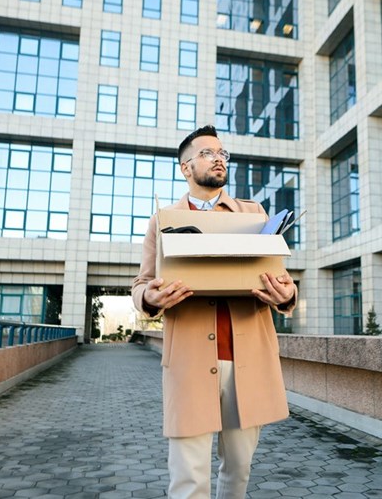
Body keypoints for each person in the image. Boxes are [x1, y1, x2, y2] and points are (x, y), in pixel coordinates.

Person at [132, 125, 297, 499]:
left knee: (238, 471)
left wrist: (286, 294)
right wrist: (150, 298)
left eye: (223, 153)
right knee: (189, 478)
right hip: (189, 362)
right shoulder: (163, 220)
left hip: (248, 361)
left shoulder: (254, 214)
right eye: (208, 152)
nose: (219, 158)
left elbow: (281, 279)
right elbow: (141, 284)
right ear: (185, 167)